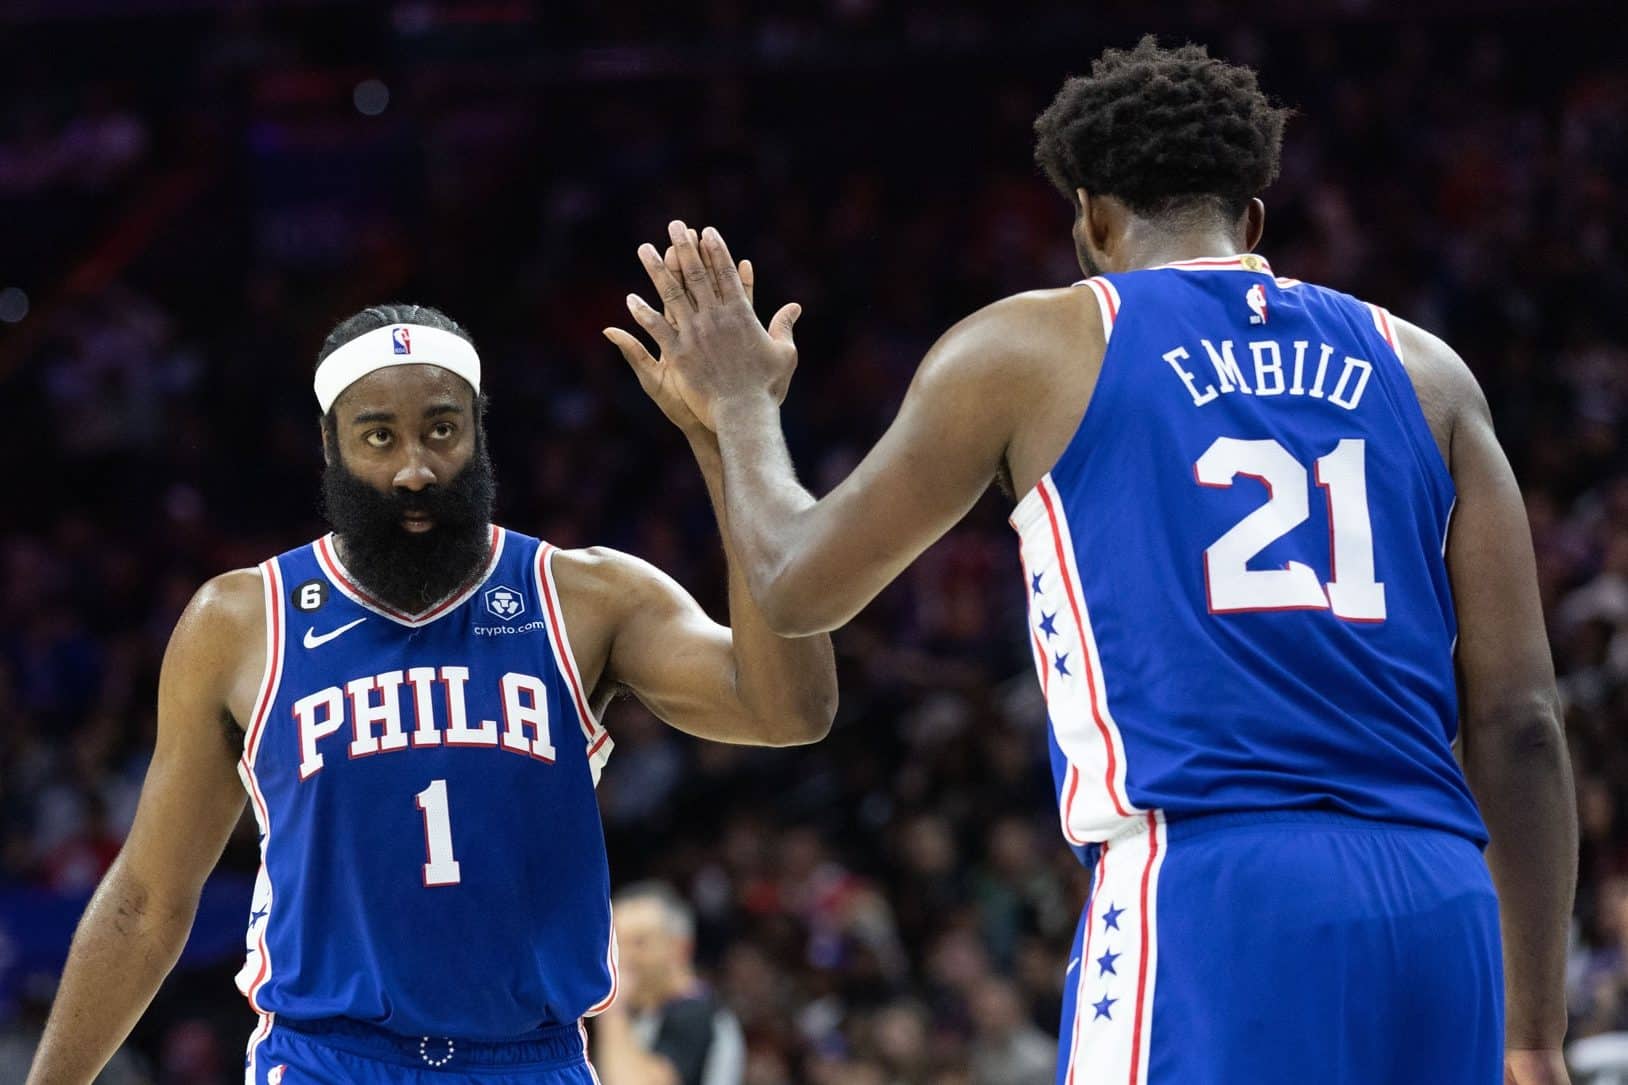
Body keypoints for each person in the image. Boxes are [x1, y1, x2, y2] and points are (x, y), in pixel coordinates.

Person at [605, 37, 1576, 1085]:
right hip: (1439, 899)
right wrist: (1532, 1036)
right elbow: (1522, 719)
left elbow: (794, 585)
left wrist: (739, 406)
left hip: (1213, 890)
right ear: (1251, 220)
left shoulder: (1039, 345)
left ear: (1092, 221)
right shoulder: (1428, 372)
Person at [27, 302, 837, 1084]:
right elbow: (147, 900)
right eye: (379, 436)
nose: (414, 468)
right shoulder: (242, 621)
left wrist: (730, 433)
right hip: (324, 1062)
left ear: (478, 430)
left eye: (441, 430)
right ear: (330, 444)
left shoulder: (585, 598)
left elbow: (790, 708)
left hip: (535, 1060)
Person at [591, 881, 745, 1085]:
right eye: (618, 945)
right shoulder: (645, 1011)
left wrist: (613, 1009)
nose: (624, 958)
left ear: (680, 947)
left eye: (639, 943)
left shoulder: (696, 1014)